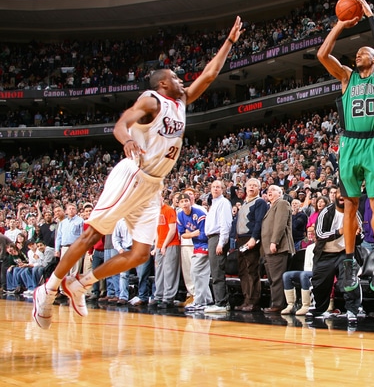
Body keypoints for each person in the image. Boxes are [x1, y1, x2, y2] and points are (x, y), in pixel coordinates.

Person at [32, 16, 244, 329]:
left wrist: (229, 43)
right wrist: (128, 139)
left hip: (153, 185)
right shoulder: (152, 99)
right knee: (93, 233)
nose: (181, 79)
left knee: (140, 253)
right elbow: (121, 123)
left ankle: (80, 283)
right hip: (133, 173)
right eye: (175, 77)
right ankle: (48, 289)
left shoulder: (181, 100)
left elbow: (210, 75)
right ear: (162, 83)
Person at [317, 0, 374, 294]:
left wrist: (371, 15)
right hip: (349, 144)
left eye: (363, 52)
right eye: (357, 52)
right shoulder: (347, 78)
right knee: (349, 205)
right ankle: (348, 262)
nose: (357, 54)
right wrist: (339, 25)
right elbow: (323, 55)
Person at [306, 190, 363, 324]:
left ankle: (354, 309)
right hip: (325, 253)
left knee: (349, 280)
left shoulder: (355, 212)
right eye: (340, 193)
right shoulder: (326, 211)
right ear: (335, 196)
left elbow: (362, 235)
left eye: (346, 194)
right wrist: (339, 232)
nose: (343, 196)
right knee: (319, 282)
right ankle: (318, 308)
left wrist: (358, 235)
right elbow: (319, 234)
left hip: (345, 252)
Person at [231, 177, 268, 312]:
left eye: (254, 185)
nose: (251, 187)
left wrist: (254, 238)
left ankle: (253, 301)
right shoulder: (243, 203)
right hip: (240, 239)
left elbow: (259, 222)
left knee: (252, 270)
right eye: (249, 185)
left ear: (259, 188)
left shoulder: (259, 203)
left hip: (250, 238)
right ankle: (246, 299)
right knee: (242, 270)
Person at [260, 185, 295, 313]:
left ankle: (278, 304)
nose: (270, 192)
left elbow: (280, 224)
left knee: (277, 278)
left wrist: (274, 241)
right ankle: (275, 303)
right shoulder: (271, 207)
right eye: (268, 190)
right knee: (272, 278)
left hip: (278, 248)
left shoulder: (282, 203)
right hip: (268, 249)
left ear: (280, 193)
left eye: (273, 190)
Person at [177, 193, 211, 311]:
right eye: (182, 202)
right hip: (196, 244)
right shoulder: (180, 216)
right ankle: (208, 300)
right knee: (200, 274)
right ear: (179, 204)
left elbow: (204, 233)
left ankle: (200, 301)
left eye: (186, 200)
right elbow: (182, 234)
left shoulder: (199, 213)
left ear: (190, 201)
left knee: (195, 272)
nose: (185, 203)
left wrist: (190, 234)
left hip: (206, 244)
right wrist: (193, 233)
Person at [203, 180, 233, 314]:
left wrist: (221, 242)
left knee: (217, 271)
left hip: (217, 237)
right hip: (212, 238)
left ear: (223, 189)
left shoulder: (224, 203)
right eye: (213, 186)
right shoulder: (213, 203)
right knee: (214, 271)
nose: (215, 189)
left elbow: (225, 224)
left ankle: (221, 302)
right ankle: (219, 301)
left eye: (218, 187)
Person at [152, 194, 180, 309]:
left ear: (162, 198)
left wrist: (164, 245)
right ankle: (158, 296)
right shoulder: (155, 212)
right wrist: (156, 247)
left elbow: (172, 230)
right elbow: (158, 231)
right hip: (160, 245)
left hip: (171, 244)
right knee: (159, 271)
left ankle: (168, 298)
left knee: (169, 271)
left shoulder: (169, 210)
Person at [281, 226, 316, 316]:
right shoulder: (309, 248)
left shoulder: (324, 247)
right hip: (308, 271)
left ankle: (306, 305)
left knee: (304, 275)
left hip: (319, 271)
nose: (312, 236)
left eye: (314, 234)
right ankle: (291, 304)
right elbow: (306, 266)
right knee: (286, 275)